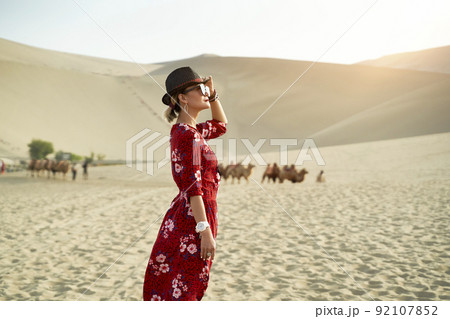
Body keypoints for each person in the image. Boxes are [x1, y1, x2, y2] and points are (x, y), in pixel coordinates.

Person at [143, 66, 228, 301]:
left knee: (190, 284)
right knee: (185, 287)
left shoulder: (193, 131)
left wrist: (212, 95)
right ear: (182, 97)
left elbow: (221, 124)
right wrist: (204, 229)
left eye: (205, 88)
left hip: (200, 214)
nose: (205, 92)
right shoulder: (186, 135)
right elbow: (193, 186)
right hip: (192, 220)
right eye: (199, 89)